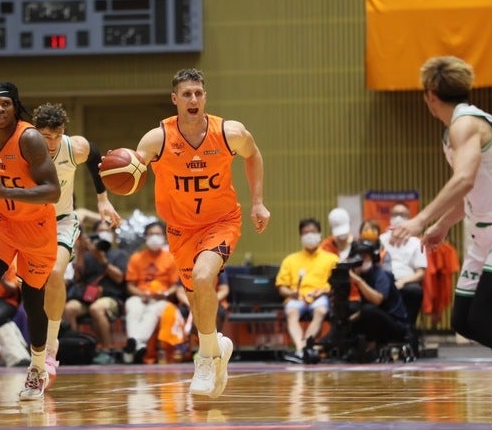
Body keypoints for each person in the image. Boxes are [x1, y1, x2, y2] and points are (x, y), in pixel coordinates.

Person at [390, 56, 492, 429]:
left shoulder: (466, 124)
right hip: (484, 232)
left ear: (430, 95)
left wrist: (420, 219)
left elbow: (464, 179)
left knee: (483, 315)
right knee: (465, 320)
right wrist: (442, 225)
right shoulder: (455, 129)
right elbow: (470, 190)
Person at [126, 68, 270, 398]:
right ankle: (216, 346)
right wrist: (121, 171)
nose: (193, 99)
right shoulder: (157, 138)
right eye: (186, 94)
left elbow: (254, 155)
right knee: (196, 300)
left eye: (198, 93)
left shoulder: (229, 133)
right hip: (180, 229)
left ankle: (204, 359)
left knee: (204, 278)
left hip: (221, 222)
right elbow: (134, 170)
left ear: (205, 97)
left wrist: (258, 202)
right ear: (175, 99)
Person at [0, 82, 60, 401]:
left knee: (32, 302)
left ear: (15, 107)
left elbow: (52, 190)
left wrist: (5, 192)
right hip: (1, 223)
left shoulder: (29, 139)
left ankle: (37, 368)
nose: (0, 109)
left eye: (6, 103)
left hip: (36, 227)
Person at [32, 102, 121, 383]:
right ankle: (34, 350)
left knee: (56, 273)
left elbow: (95, 157)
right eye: (46, 137)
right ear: (35, 132)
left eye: (57, 136)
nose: (52, 143)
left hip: (61, 221)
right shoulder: (22, 148)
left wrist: (102, 199)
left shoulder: (74, 147)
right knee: (31, 290)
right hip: (29, 225)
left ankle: (51, 346)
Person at [275, 218, 339, 364]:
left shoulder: (332, 259)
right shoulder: (290, 260)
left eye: (313, 232)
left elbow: (337, 286)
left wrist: (324, 291)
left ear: (320, 234)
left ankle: (301, 351)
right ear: (300, 237)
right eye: (305, 233)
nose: (309, 235)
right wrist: (291, 293)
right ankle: (302, 349)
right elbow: (281, 287)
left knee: (321, 310)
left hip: (320, 297)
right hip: (297, 297)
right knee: (291, 312)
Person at [63, 222, 128, 365]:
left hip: (110, 298)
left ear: (113, 235)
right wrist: (81, 251)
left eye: (107, 231)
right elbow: (78, 277)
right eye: (100, 231)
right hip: (86, 298)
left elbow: (119, 278)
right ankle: (76, 347)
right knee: (69, 308)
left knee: (96, 308)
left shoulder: (119, 254)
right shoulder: (87, 255)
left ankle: (106, 350)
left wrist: (102, 260)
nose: (104, 233)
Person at [122, 221, 178, 364]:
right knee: (132, 306)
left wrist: (165, 294)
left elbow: (175, 286)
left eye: (158, 234)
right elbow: (130, 285)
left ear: (164, 237)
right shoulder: (136, 258)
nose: (154, 237)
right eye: (151, 234)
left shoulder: (171, 258)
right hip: (140, 296)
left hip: (161, 299)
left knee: (153, 311)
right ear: (145, 237)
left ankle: (133, 342)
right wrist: (142, 295)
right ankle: (139, 344)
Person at [347, 237, 411, 357]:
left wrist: (358, 281)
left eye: (365, 256)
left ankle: (371, 349)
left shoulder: (381, 274)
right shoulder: (361, 275)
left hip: (396, 324)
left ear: (373, 257)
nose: (361, 260)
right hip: (379, 320)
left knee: (368, 310)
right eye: (358, 256)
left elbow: (377, 300)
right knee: (349, 311)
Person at [379, 202, 427, 335]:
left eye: (402, 215)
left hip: (406, 282)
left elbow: (421, 273)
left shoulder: (417, 243)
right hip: (385, 282)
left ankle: (408, 330)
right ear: (390, 217)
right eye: (395, 214)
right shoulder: (381, 240)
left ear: (409, 218)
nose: (398, 218)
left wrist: (403, 282)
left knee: (415, 291)